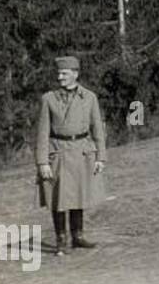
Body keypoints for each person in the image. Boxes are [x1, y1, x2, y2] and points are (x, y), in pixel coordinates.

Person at [35, 55, 107, 254]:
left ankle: (78, 236)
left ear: (76, 74)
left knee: (79, 194)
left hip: (82, 152)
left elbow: (97, 129)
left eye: (64, 73)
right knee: (58, 199)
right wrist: (42, 162)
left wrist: (101, 157)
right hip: (57, 152)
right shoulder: (48, 99)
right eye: (58, 73)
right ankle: (61, 239)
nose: (60, 77)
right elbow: (42, 133)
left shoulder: (89, 97)